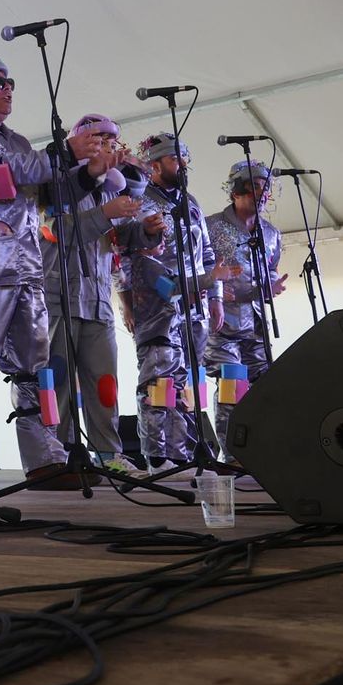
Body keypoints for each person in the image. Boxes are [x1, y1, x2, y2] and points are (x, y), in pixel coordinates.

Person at [0, 56, 103, 494]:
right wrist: (65, 152)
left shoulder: (20, 141)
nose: (8, 88)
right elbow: (3, 174)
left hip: (25, 270)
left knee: (37, 370)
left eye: (11, 81)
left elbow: (48, 192)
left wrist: (88, 174)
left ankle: (46, 457)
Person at [40, 114, 160, 477]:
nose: (107, 142)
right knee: (55, 381)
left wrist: (145, 232)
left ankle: (109, 455)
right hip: (56, 295)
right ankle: (57, 456)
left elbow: (118, 238)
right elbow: (52, 230)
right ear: (80, 141)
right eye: (99, 136)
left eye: (112, 137)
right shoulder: (54, 182)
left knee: (105, 383)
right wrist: (105, 213)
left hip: (97, 302)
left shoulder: (113, 187)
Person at [119, 133, 238, 473]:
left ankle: (181, 455)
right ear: (155, 166)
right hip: (157, 303)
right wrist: (126, 303)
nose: (182, 165)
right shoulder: (140, 202)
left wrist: (215, 299)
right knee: (158, 379)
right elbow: (124, 259)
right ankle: (157, 457)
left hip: (196, 306)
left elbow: (208, 255)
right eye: (174, 160)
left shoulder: (191, 201)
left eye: (184, 159)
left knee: (183, 382)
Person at [204, 160, 286, 457]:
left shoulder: (271, 232)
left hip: (257, 322)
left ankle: (264, 452)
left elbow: (272, 268)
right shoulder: (211, 226)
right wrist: (214, 290)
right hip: (222, 322)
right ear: (236, 191)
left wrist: (272, 285)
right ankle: (232, 455)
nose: (262, 194)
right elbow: (199, 266)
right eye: (255, 187)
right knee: (231, 386)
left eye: (266, 188)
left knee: (265, 388)